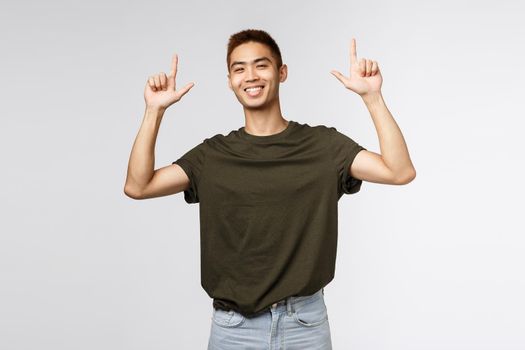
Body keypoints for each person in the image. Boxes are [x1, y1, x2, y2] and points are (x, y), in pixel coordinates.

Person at [124, 29, 416, 350]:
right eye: (239, 68)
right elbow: (139, 186)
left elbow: (399, 171)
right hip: (234, 329)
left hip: (304, 324)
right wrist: (154, 110)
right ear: (230, 80)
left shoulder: (323, 147)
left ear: (281, 72)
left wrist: (372, 97)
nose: (250, 76)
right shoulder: (212, 155)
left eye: (261, 65)